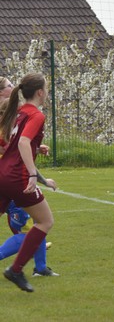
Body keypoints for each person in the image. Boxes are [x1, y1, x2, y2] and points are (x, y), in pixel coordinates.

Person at [0, 73, 55, 292]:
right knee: (44, 222)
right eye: (46, 88)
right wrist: (33, 174)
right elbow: (23, 142)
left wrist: (35, 148)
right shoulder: (36, 114)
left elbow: (12, 144)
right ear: (40, 92)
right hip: (17, 177)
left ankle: (37, 267)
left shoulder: (20, 112)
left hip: (3, 172)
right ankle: (16, 270)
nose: (47, 92)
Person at [1, 200, 58, 277]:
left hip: (21, 202)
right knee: (32, 233)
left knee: (40, 228)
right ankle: (40, 268)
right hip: (20, 202)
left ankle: (41, 269)